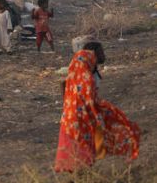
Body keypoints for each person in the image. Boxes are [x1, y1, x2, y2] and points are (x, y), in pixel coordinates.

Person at [54, 42, 140, 172]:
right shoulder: (84, 74)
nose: (102, 55)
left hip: (74, 116)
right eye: (99, 52)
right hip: (79, 117)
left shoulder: (85, 71)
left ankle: (83, 170)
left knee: (82, 146)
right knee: (83, 146)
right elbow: (85, 96)